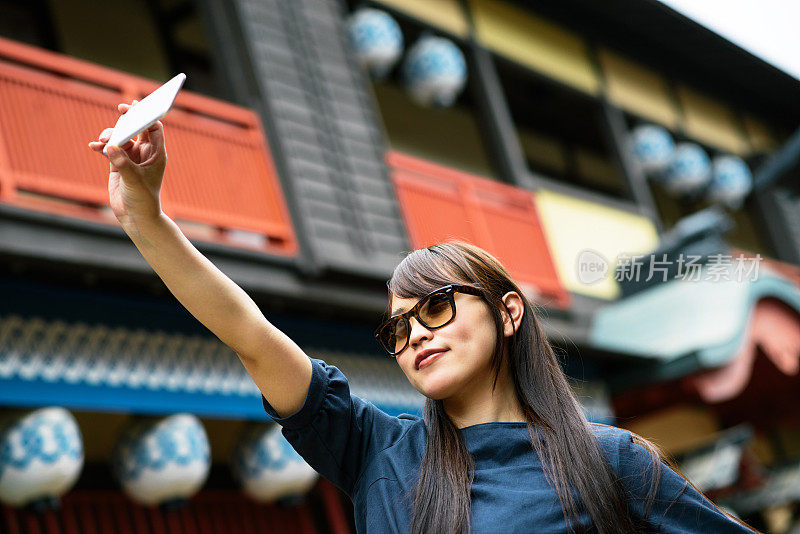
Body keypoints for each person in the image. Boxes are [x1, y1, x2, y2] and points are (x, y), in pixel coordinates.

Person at [89, 104, 758, 534]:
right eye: (397, 329)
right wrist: (145, 219)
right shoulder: (378, 453)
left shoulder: (610, 463)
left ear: (509, 313)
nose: (415, 335)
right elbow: (249, 334)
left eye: (436, 306)